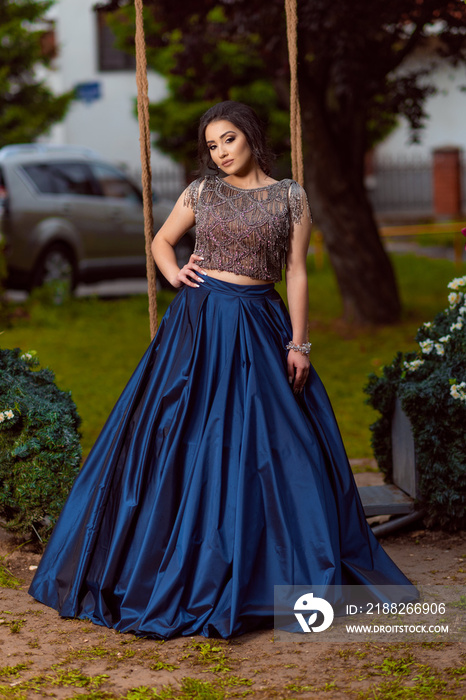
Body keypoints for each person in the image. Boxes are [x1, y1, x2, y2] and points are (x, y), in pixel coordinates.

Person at [29, 101, 417, 639]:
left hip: (261, 324)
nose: (221, 152)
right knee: (183, 437)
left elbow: (298, 271)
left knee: (281, 443)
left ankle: (277, 569)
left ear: (252, 136)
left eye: (228, 139)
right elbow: (162, 241)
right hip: (200, 322)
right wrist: (174, 274)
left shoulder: (290, 196)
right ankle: (175, 564)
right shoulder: (200, 192)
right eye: (212, 145)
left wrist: (299, 342)